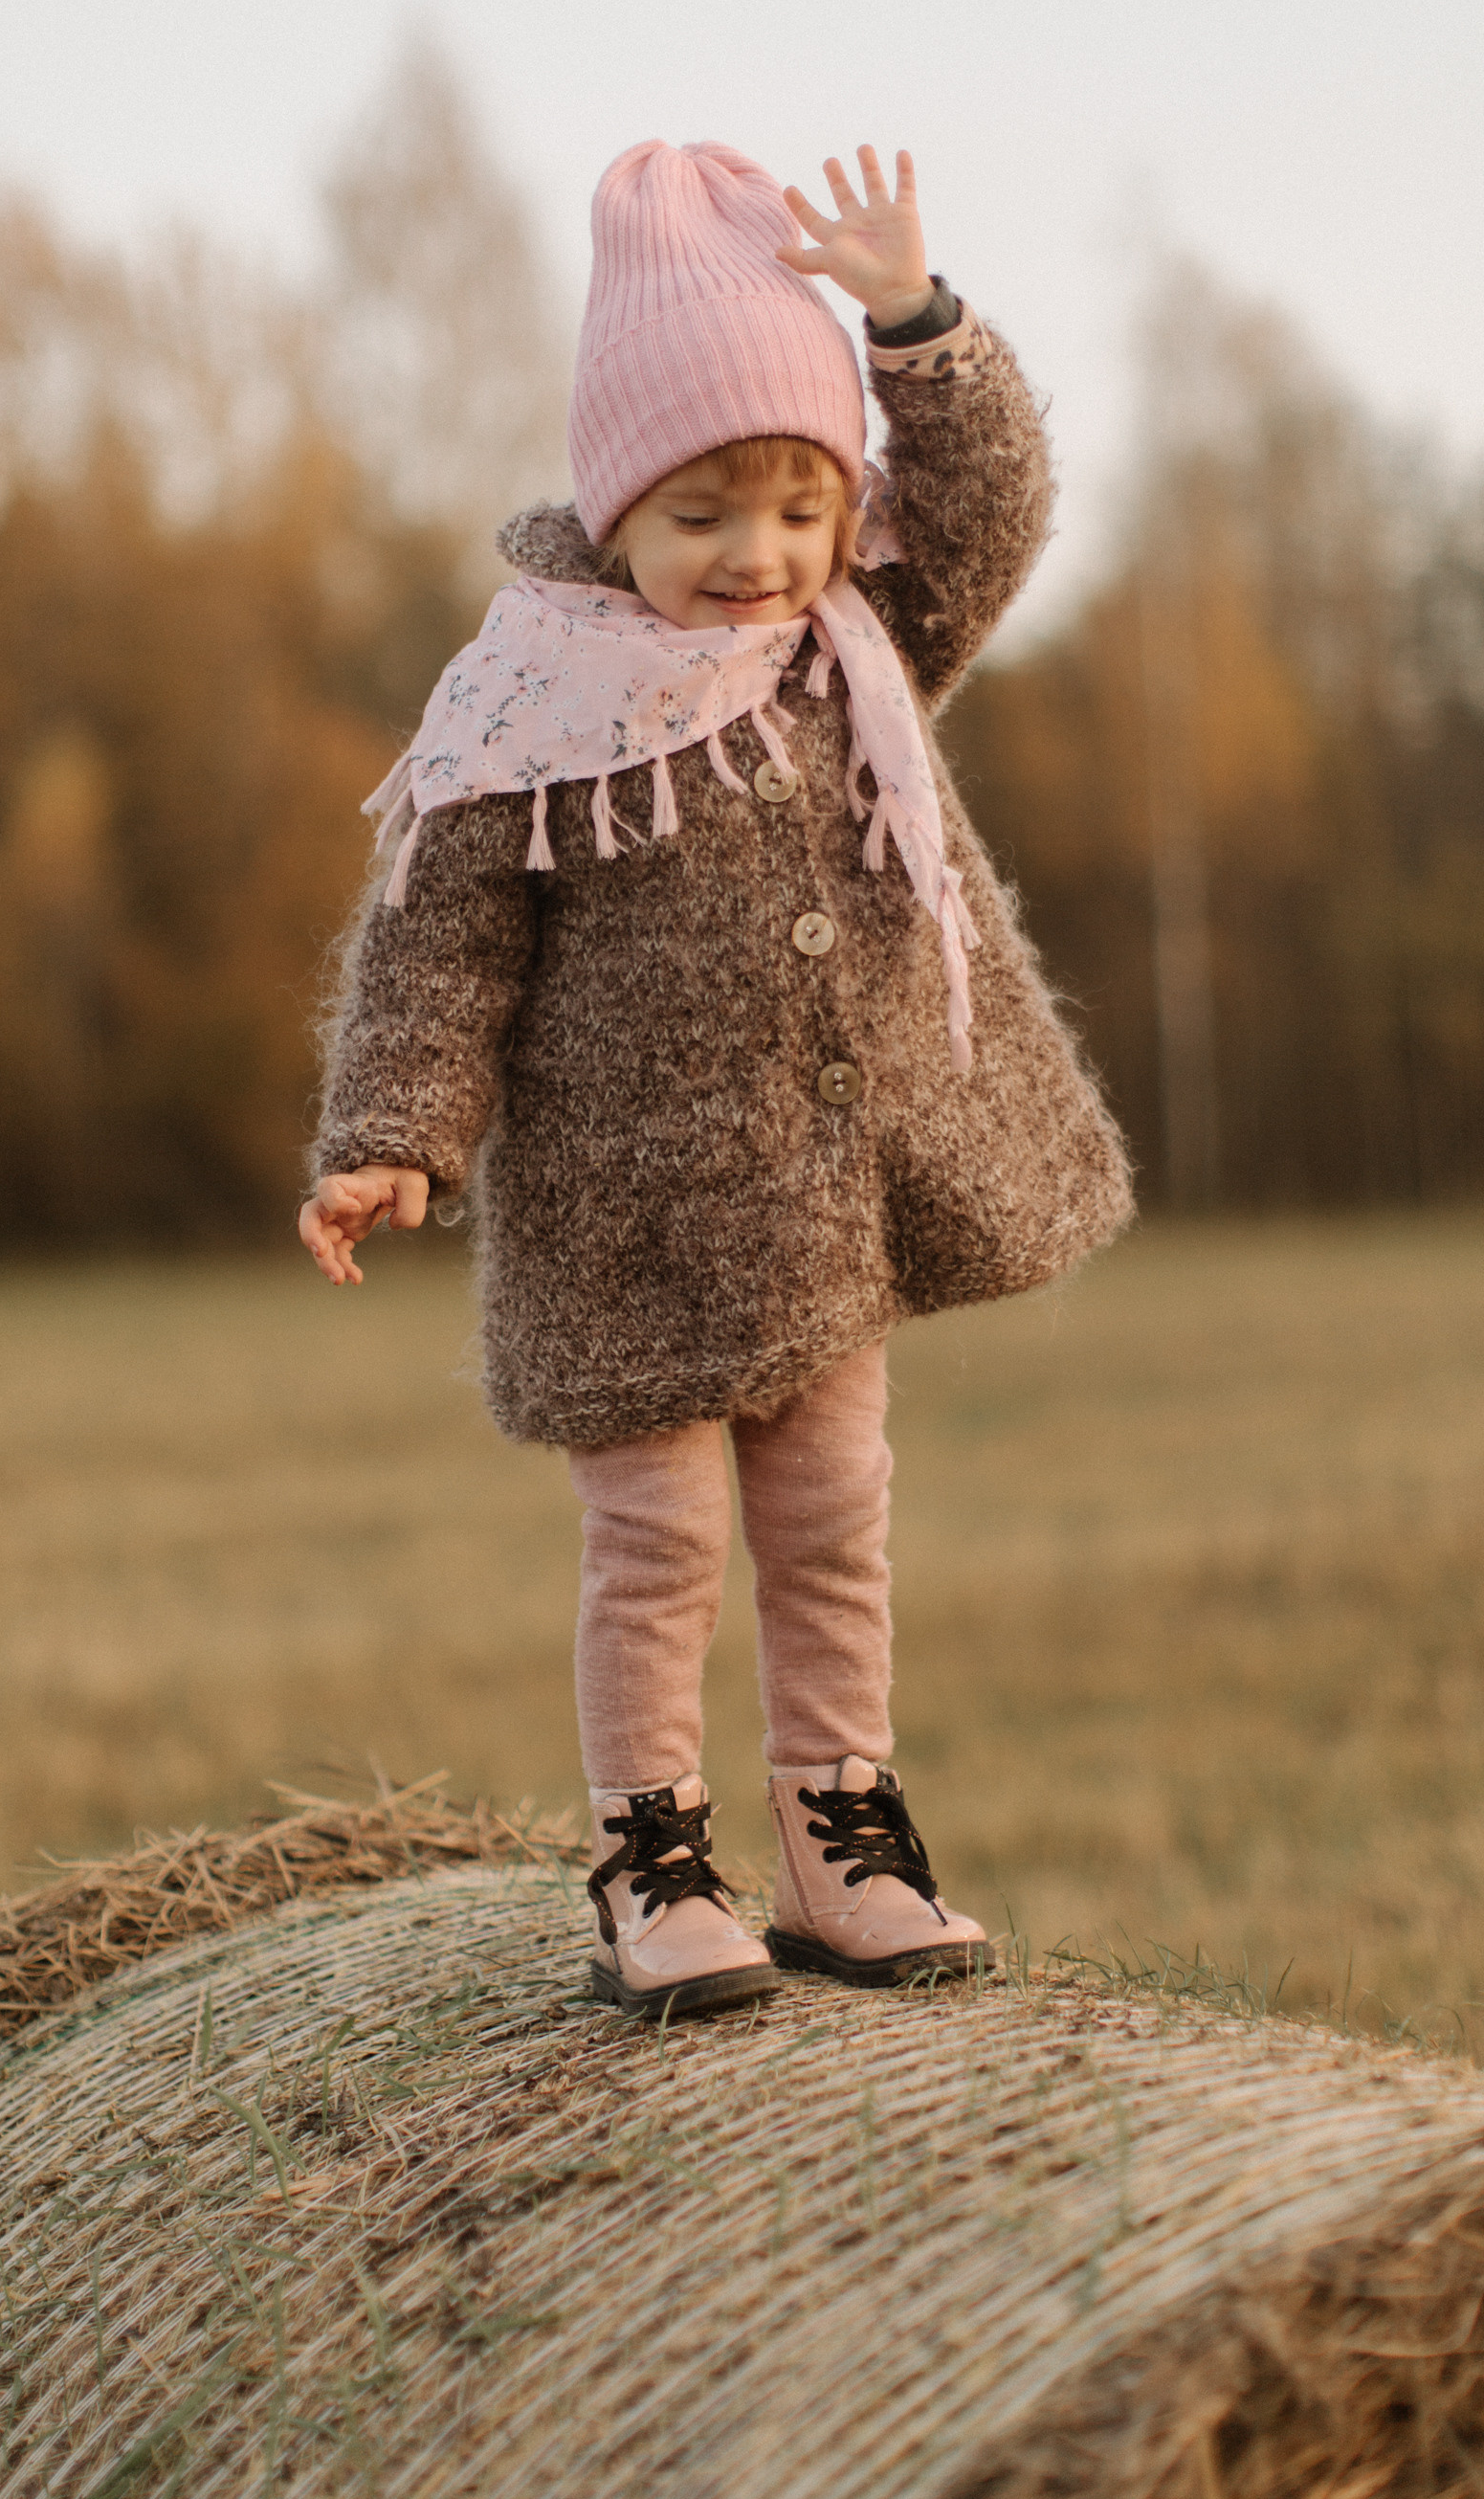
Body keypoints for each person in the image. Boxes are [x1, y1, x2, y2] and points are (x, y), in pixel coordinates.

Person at [299, 141, 1132, 2018]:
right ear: (615, 514)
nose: (756, 550)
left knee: (837, 1531)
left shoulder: (857, 651)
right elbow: (437, 953)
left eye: (794, 499)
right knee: (659, 1551)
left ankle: (843, 1833)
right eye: (703, 511)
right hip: (629, 1225)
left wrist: (913, 330)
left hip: (826, 1218)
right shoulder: (525, 709)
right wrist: (393, 1142)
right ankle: (652, 1856)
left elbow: (987, 512)